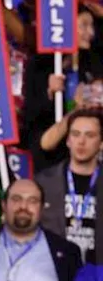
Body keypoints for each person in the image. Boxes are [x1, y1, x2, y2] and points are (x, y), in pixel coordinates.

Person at [0, 178, 83, 281]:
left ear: (41, 209)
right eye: (16, 199)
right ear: (4, 205)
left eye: (32, 201)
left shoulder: (67, 253)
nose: (23, 206)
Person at [35, 108, 103, 263]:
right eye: (75, 134)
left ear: (101, 143)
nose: (81, 141)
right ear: (67, 140)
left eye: (90, 135)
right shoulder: (44, 182)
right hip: (55, 272)